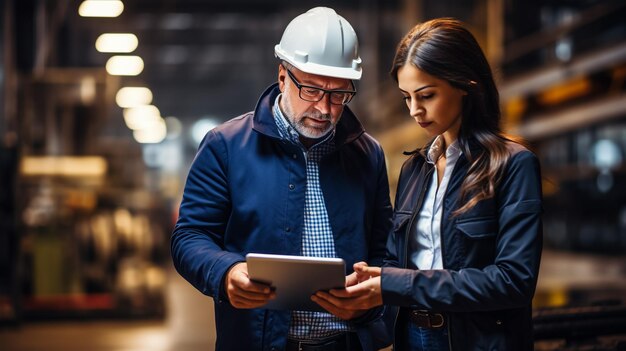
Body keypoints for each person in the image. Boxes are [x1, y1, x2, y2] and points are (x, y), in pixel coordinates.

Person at [313, 18, 543, 350]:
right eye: (406, 98)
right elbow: (397, 259)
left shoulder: (512, 165)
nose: (414, 111)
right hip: (412, 336)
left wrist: (395, 283)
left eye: (426, 95)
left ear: (465, 84)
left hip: (476, 340)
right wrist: (372, 280)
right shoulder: (415, 168)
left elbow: (513, 281)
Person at [171, 7, 393, 351]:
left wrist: (373, 296)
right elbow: (190, 237)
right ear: (282, 76)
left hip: (347, 343)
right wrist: (226, 272)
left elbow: (385, 249)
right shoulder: (225, 147)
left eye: (339, 95)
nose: (324, 108)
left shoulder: (368, 155)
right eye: (312, 90)